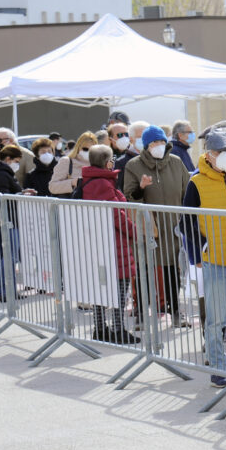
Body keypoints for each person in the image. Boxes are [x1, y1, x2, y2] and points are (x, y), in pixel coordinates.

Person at [182, 130, 226, 387]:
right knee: (216, 318)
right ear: (208, 155)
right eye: (219, 152)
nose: (225, 156)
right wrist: (197, 253)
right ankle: (219, 366)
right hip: (214, 260)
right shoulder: (196, 182)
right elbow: (186, 221)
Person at [123, 125, 191, 327]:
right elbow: (129, 196)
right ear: (146, 145)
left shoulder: (176, 163)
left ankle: (176, 311)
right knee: (144, 268)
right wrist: (141, 188)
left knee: (172, 270)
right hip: (148, 226)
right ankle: (141, 313)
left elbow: (187, 191)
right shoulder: (134, 166)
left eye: (162, 142)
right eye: (154, 143)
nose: (159, 146)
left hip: (172, 225)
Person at [79, 144, 140, 345]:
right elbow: (116, 214)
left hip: (99, 242)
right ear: (108, 162)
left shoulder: (89, 181)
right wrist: (134, 231)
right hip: (112, 243)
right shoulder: (103, 184)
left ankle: (101, 328)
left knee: (101, 289)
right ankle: (117, 330)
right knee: (119, 289)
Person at [0, 145, 36, 302]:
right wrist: (21, 194)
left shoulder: (1, 173)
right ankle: (5, 291)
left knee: (8, 257)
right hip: (6, 222)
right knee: (9, 257)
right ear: (8, 160)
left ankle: (2, 290)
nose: (17, 164)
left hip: (5, 221)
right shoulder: (2, 175)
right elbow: (4, 197)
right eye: (17, 161)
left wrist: (21, 193)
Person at [49, 132, 97, 197]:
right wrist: (72, 182)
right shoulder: (67, 161)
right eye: (85, 149)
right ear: (78, 147)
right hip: (69, 205)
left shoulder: (98, 164)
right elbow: (52, 187)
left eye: (92, 150)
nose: (88, 152)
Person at [114, 120, 148, 190]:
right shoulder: (121, 162)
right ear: (131, 139)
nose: (144, 139)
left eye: (147, 137)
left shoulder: (156, 158)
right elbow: (121, 189)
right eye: (140, 137)